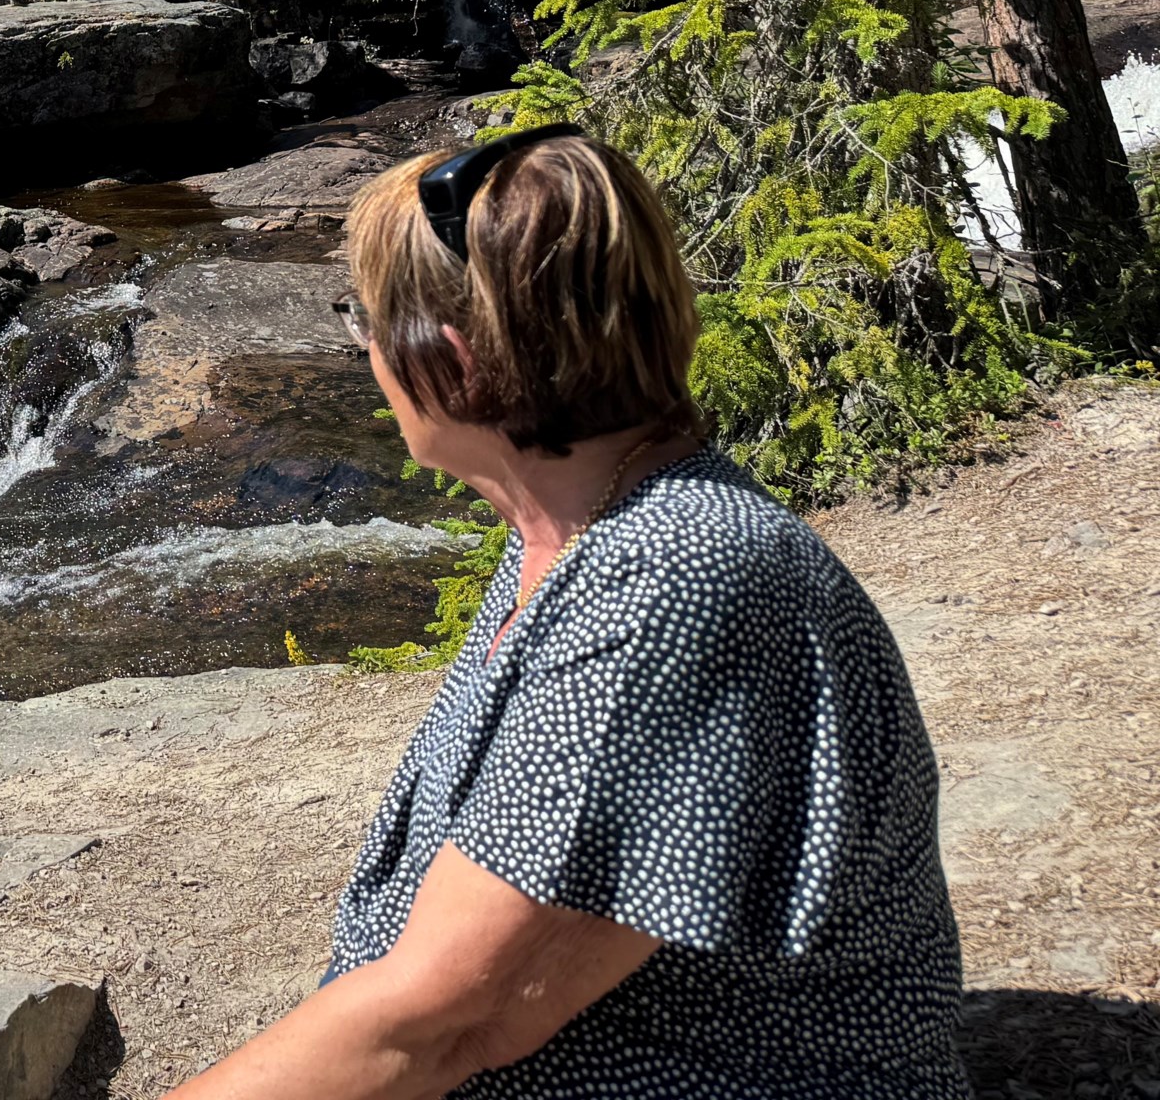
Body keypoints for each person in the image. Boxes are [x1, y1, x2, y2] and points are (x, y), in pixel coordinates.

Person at [167, 127, 965, 1098]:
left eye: (364, 322)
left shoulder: (674, 578)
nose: (365, 352)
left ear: (451, 360)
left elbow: (452, 1024)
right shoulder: (577, 530)